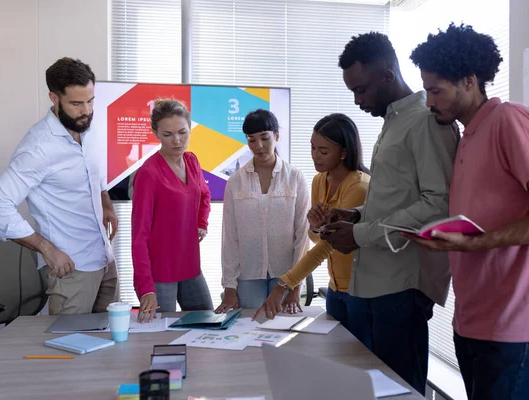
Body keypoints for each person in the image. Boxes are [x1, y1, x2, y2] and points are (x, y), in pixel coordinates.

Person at [409, 23, 529, 400]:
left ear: (469, 81)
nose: (429, 102)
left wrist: (477, 243)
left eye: (436, 91)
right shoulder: (468, 135)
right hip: (472, 317)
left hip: (514, 322)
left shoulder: (510, 121)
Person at [319, 32, 459, 395]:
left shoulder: (427, 120)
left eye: (362, 89)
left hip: (403, 285)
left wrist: (361, 235)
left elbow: (438, 203)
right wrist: (355, 215)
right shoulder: (395, 121)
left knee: (400, 391)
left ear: (387, 73)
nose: (357, 100)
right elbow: (395, 197)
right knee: (379, 389)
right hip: (378, 282)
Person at [0, 57, 119, 315]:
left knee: (112, 348)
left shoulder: (89, 127)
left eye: (90, 101)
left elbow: (94, 172)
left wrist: (106, 202)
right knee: (72, 350)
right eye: (77, 104)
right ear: (54, 98)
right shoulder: (38, 149)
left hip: (104, 259)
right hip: (71, 269)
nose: (87, 111)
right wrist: (47, 249)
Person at [255, 114, 371, 343]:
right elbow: (316, 237)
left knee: (361, 360)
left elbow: (328, 246)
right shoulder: (320, 180)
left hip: (360, 290)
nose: (315, 156)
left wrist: (283, 284)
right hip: (335, 288)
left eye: (323, 151)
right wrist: (316, 228)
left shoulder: (358, 186)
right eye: (312, 147)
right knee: (337, 357)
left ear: (344, 153)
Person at [215, 109, 309, 312]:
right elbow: (230, 237)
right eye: (251, 140)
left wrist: (296, 285)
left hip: (286, 276)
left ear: (276, 135)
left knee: (282, 335)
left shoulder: (295, 177)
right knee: (250, 332)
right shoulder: (235, 181)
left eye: (264, 138)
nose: (258, 146)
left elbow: (303, 235)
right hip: (248, 274)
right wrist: (229, 286)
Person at [132, 99, 213, 322]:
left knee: (207, 321)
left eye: (182, 132)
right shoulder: (148, 174)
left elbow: (204, 194)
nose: (177, 140)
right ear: (155, 133)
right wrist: (146, 287)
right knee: (160, 335)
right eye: (167, 134)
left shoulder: (192, 160)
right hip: (160, 271)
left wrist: (201, 223)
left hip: (190, 263)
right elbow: (139, 237)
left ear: (189, 128)